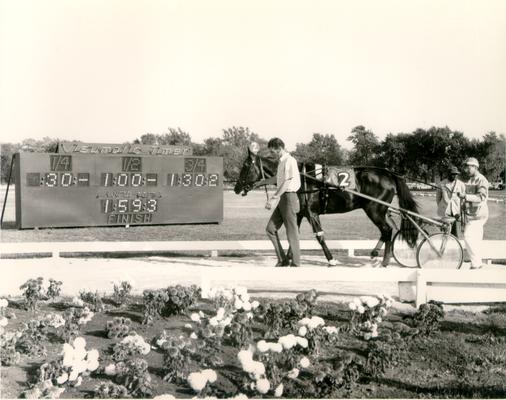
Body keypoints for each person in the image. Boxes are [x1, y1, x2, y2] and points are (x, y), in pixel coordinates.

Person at [265, 138, 301, 267]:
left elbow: (286, 183)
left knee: (292, 232)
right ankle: (283, 260)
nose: (272, 155)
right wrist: (260, 182)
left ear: (279, 148)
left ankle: (296, 263)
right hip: (282, 199)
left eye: (273, 152)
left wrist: (274, 198)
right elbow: (278, 179)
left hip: (289, 198)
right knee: (270, 229)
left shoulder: (290, 161)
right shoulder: (281, 162)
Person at [458, 157, 489, 269]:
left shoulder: (482, 180)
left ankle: (476, 264)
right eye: (466, 167)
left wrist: (465, 196)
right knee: (475, 240)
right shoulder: (469, 180)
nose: (466, 169)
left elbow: (481, 197)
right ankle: (477, 264)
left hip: (479, 215)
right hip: (471, 215)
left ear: (475, 167)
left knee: (468, 237)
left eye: (468, 167)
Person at [436, 165, 466, 237]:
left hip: (456, 212)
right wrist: (443, 207)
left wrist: (461, 211)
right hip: (445, 212)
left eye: (456, 174)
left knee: (456, 233)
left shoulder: (461, 185)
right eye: (453, 174)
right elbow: (438, 199)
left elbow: (463, 200)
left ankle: (456, 247)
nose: (455, 176)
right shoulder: (441, 184)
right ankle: (444, 247)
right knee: (445, 233)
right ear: (448, 174)